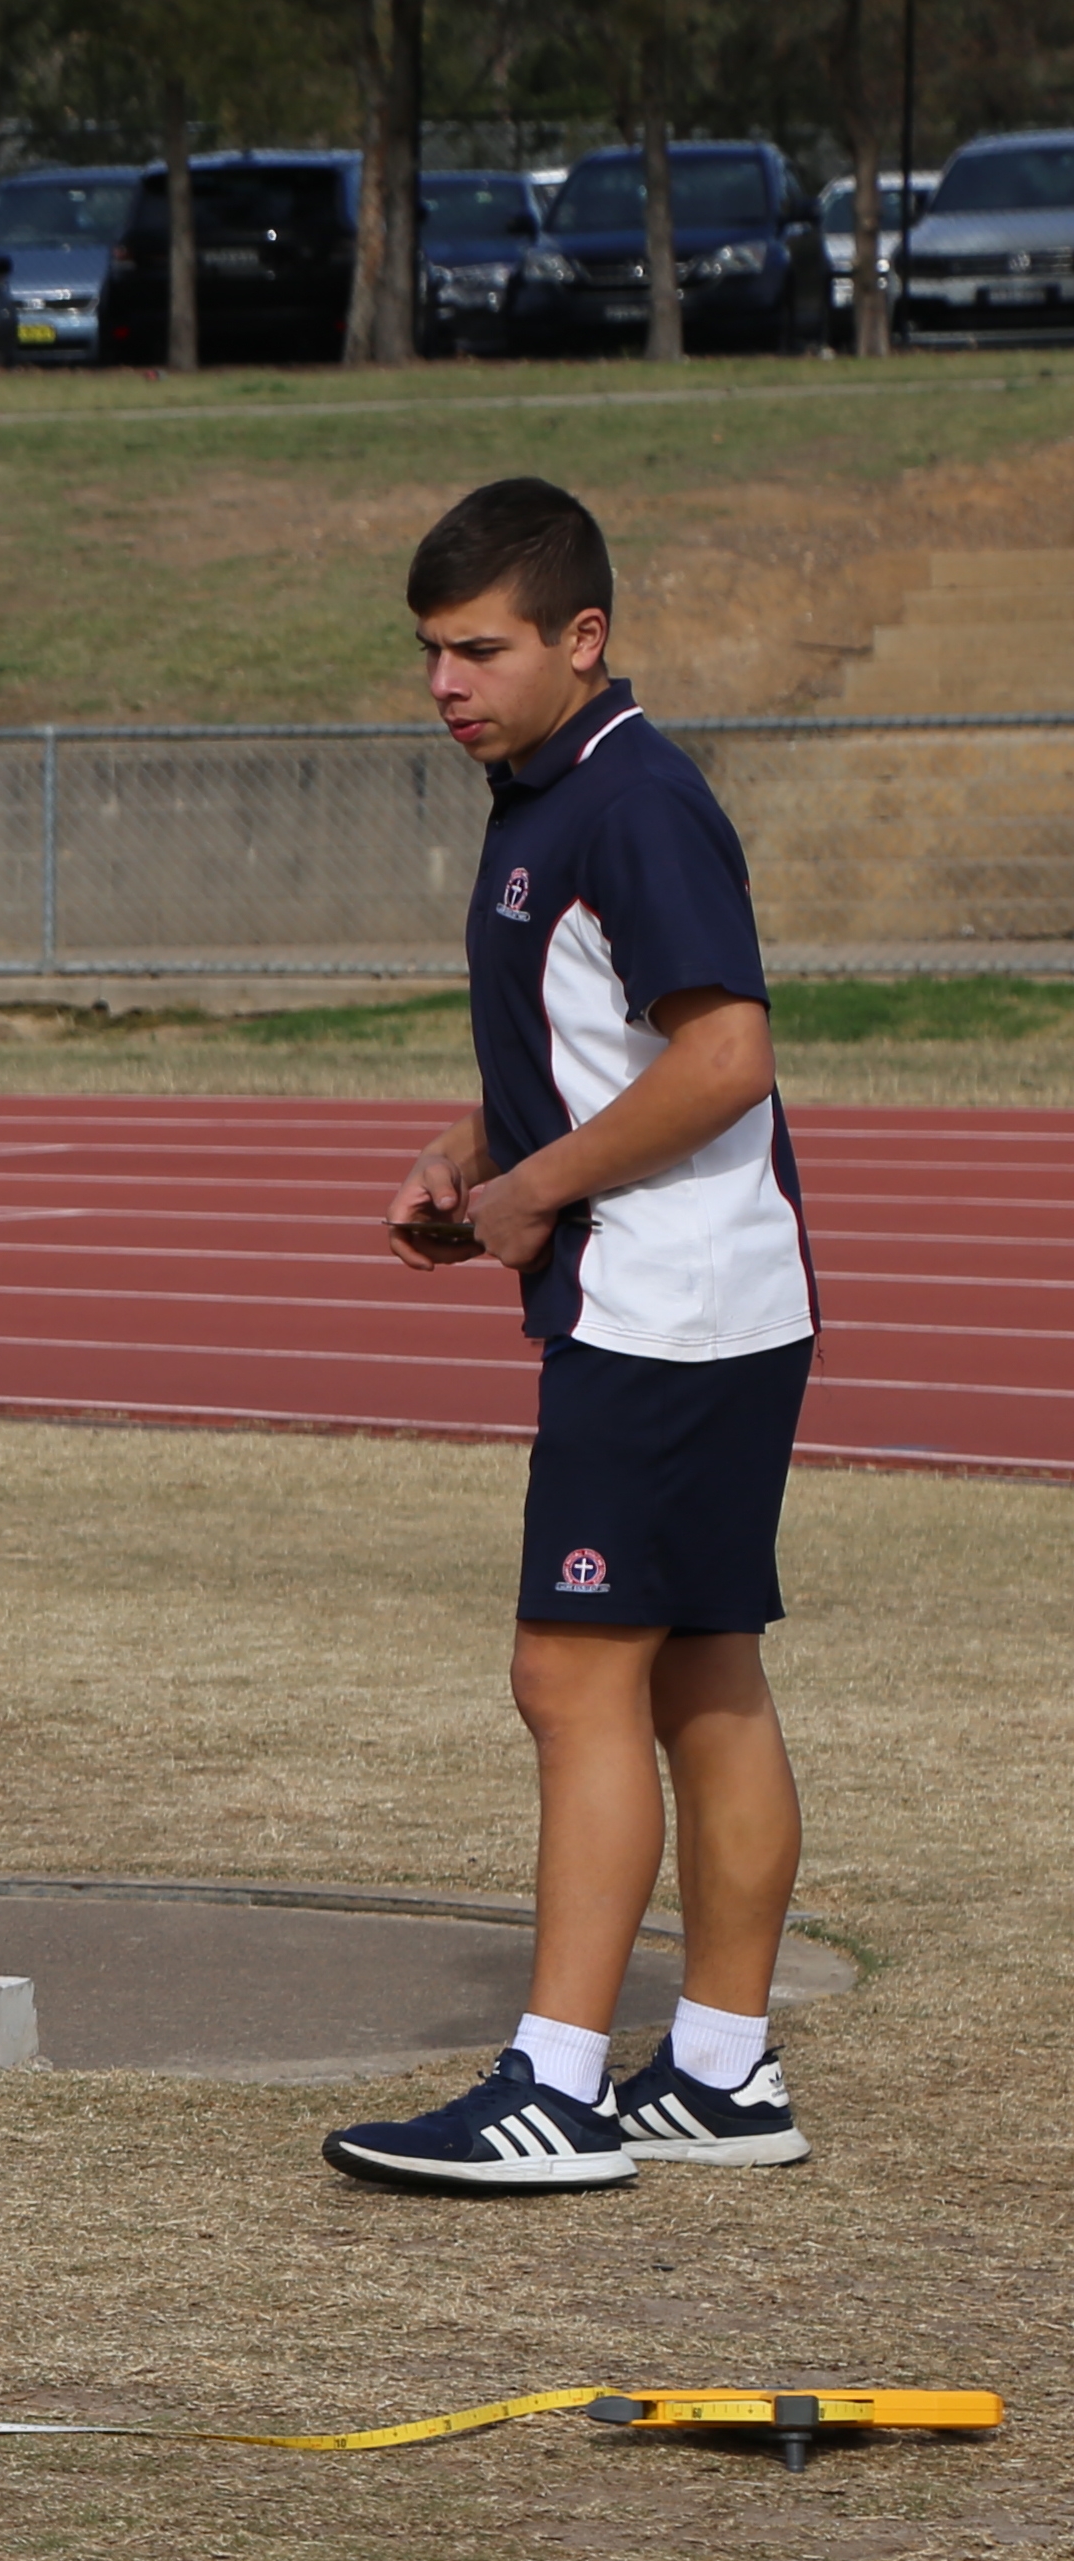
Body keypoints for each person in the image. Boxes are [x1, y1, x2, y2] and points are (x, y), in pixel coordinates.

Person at [330, 479, 825, 2193]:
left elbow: (723, 1055)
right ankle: (719, 2069)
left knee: (570, 1674)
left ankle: (551, 2083)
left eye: (480, 648)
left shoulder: (634, 801)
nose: (446, 682)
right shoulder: (538, 794)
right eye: (429, 653)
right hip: (691, 1300)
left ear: (580, 641)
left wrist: (534, 1188)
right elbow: (602, 1041)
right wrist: (473, 1152)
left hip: (669, 1309)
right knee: (699, 1679)